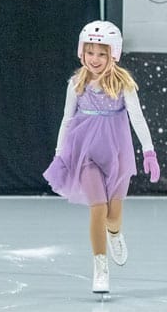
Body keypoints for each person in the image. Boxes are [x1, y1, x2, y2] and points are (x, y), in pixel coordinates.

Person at [43, 20, 160, 295]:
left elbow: (138, 118)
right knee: (97, 208)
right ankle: (100, 268)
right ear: (81, 52)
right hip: (86, 154)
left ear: (113, 55)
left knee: (112, 215)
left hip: (117, 155)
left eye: (102, 53)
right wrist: (60, 155)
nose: (95, 59)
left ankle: (115, 234)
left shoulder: (123, 85)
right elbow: (66, 120)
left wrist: (149, 150)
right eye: (90, 52)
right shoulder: (76, 84)